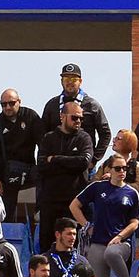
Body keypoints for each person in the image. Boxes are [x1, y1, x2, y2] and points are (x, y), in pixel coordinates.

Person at [34, 100, 94, 254]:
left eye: (81, 118)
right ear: (62, 117)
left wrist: (55, 159)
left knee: (73, 248)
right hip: (50, 202)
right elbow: (41, 165)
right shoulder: (49, 138)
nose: (78, 121)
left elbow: (83, 162)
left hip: (74, 203)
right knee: (47, 248)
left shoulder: (84, 138)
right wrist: (69, 163)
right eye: (74, 118)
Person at [71, 154, 139, 277]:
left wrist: (120, 236)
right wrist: (86, 225)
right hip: (98, 241)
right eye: (118, 168)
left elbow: (135, 222)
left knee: (112, 253)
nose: (122, 172)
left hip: (121, 243)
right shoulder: (98, 187)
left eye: (125, 168)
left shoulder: (131, 192)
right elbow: (74, 206)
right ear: (109, 170)